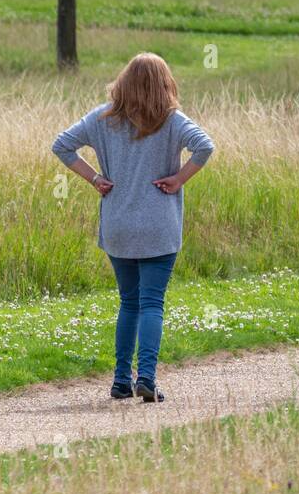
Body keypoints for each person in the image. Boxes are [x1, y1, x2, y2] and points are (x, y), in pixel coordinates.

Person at [53, 52, 214, 402]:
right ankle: (149, 379)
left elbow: (61, 145)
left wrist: (95, 178)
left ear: (124, 81)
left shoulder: (101, 118)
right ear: (165, 83)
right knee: (152, 302)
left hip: (118, 223)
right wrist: (178, 179)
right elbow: (205, 146)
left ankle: (121, 379)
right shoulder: (171, 120)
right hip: (159, 224)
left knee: (128, 302)